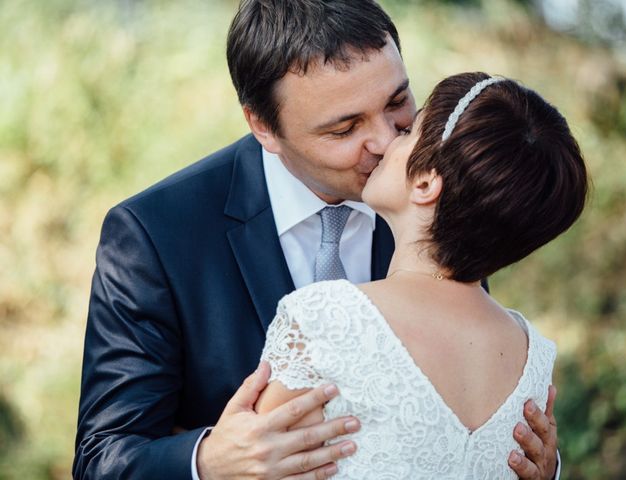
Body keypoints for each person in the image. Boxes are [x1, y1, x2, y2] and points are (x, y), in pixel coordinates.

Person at [73, 2, 561, 479]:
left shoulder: (435, 200)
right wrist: (208, 463)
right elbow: (103, 458)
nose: (386, 142)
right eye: (345, 128)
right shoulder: (155, 235)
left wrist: (522, 459)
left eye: (397, 103)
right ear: (264, 126)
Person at [256, 72, 588, 479]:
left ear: (427, 182)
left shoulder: (326, 316)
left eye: (408, 130)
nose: (386, 142)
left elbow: (253, 466)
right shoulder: (532, 355)